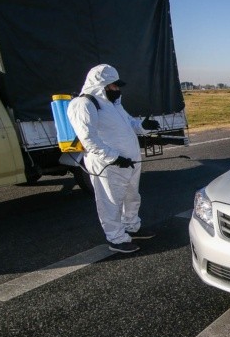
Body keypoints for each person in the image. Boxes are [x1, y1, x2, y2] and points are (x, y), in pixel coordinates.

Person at [67, 64, 160, 253]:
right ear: (101, 85)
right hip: (108, 164)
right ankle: (116, 238)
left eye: (117, 85)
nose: (117, 89)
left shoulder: (113, 104)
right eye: (114, 85)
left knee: (132, 196)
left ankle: (131, 226)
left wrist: (144, 126)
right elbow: (88, 139)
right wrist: (114, 158)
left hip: (129, 162)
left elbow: (129, 124)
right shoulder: (84, 104)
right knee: (110, 201)